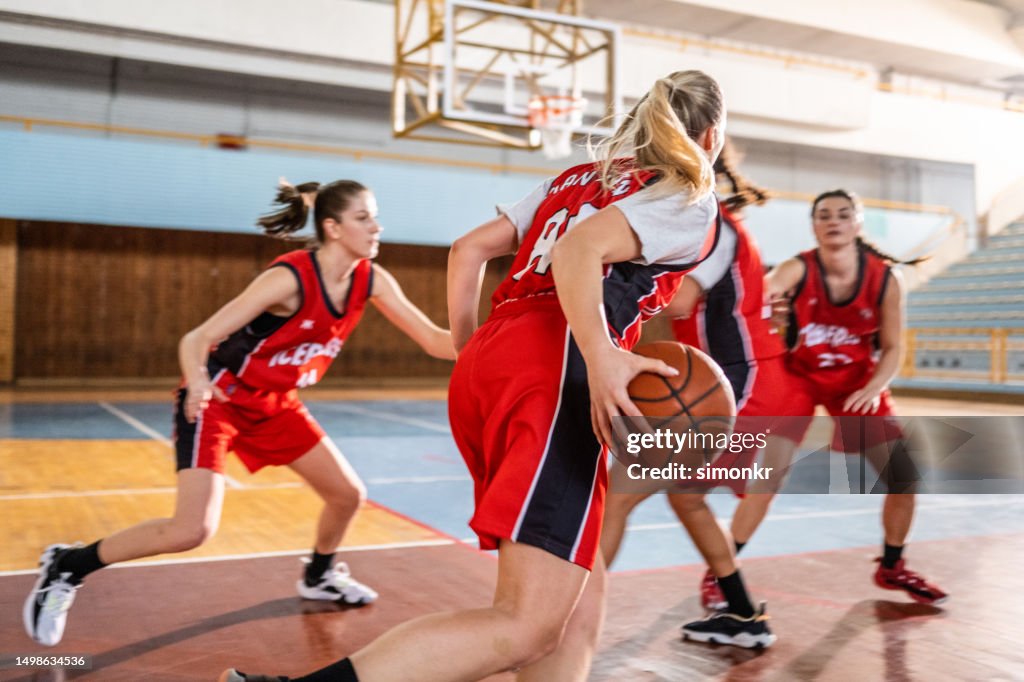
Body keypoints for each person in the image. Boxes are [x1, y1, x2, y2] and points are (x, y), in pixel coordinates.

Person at [219, 69, 762, 682]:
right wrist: (603, 355)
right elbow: (576, 252)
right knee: (526, 623)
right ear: (711, 133)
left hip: (494, 359)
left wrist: (472, 349)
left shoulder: (579, 178)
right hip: (555, 370)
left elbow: (468, 249)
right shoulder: (688, 196)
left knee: (577, 600)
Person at [23, 179, 456, 647]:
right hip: (221, 400)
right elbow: (197, 338)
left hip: (276, 405)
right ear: (332, 228)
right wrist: (197, 382)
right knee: (192, 530)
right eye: (364, 217)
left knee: (348, 495)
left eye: (374, 216)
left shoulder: (373, 279)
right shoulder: (289, 279)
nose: (377, 227)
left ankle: (319, 574)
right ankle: (70, 565)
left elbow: (434, 340)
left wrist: (504, 334)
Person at [599, 140, 783, 645]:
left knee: (615, 499)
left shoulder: (712, 224)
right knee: (686, 496)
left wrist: (603, 264)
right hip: (724, 380)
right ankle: (744, 614)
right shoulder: (712, 221)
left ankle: (564, 622)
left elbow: (678, 301)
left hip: (728, 385)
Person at [743, 188, 947, 604]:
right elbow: (758, 297)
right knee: (770, 475)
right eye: (823, 215)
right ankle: (722, 569)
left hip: (855, 383)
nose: (833, 221)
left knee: (904, 478)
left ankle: (892, 567)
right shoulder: (796, 268)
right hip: (798, 377)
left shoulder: (886, 279)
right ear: (814, 226)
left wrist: (876, 386)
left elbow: (893, 347)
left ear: (857, 223)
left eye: (842, 214)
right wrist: (765, 308)